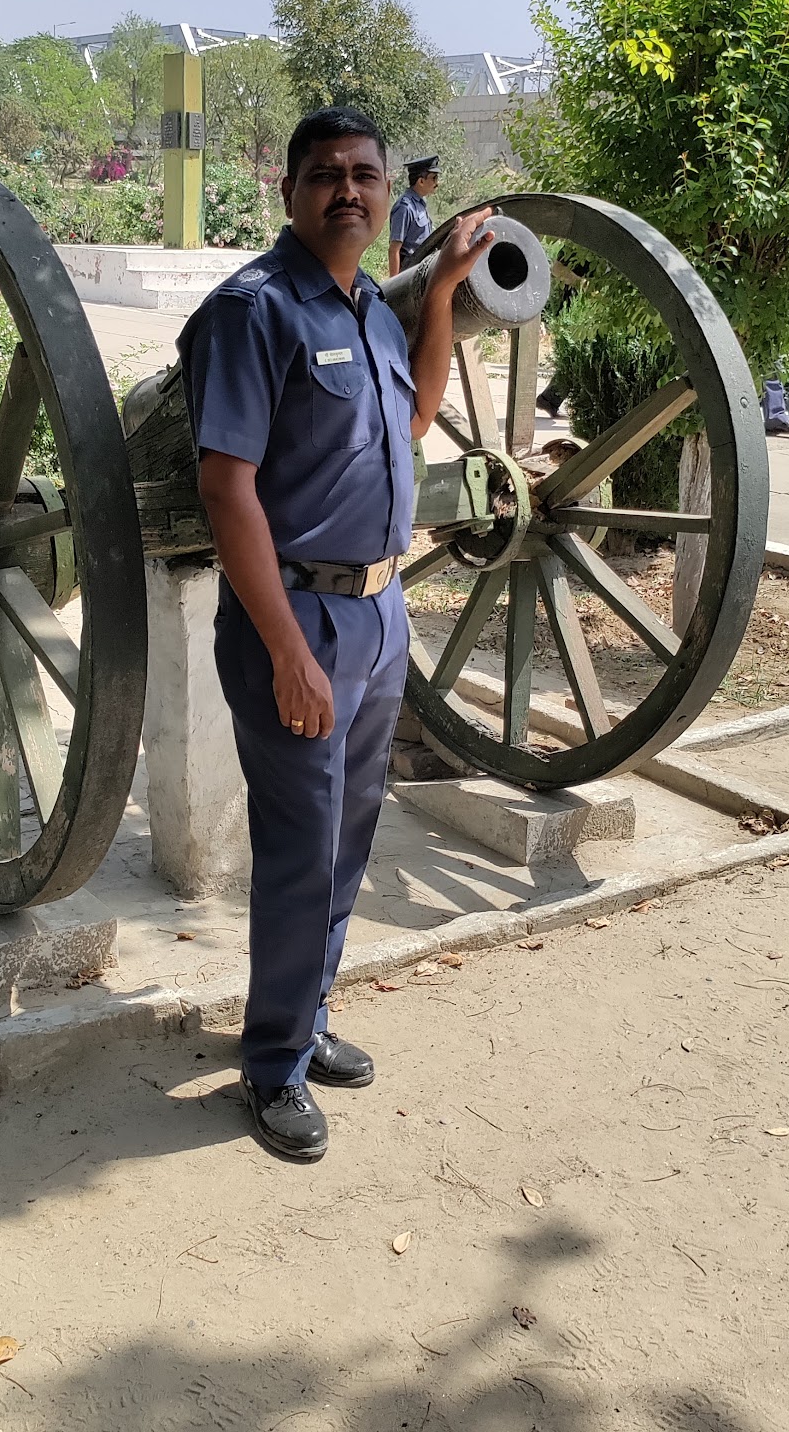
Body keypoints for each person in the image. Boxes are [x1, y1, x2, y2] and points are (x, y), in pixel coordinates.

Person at [180, 107, 493, 1162]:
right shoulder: (254, 311)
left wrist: (438, 295)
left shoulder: (367, 310)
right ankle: (272, 1065)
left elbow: (414, 419)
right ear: (290, 193)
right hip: (298, 620)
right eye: (326, 175)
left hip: (378, 613)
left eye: (365, 173)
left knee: (348, 838)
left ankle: (307, 1019)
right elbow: (226, 488)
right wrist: (286, 651)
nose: (348, 190)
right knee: (300, 849)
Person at [387, 154, 439, 275]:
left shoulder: (420, 203)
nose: (437, 183)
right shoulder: (404, 207)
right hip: (409, 273)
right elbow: (394, 250)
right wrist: (395, 283)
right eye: (434, 178)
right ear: (421, 181)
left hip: (420, 270)